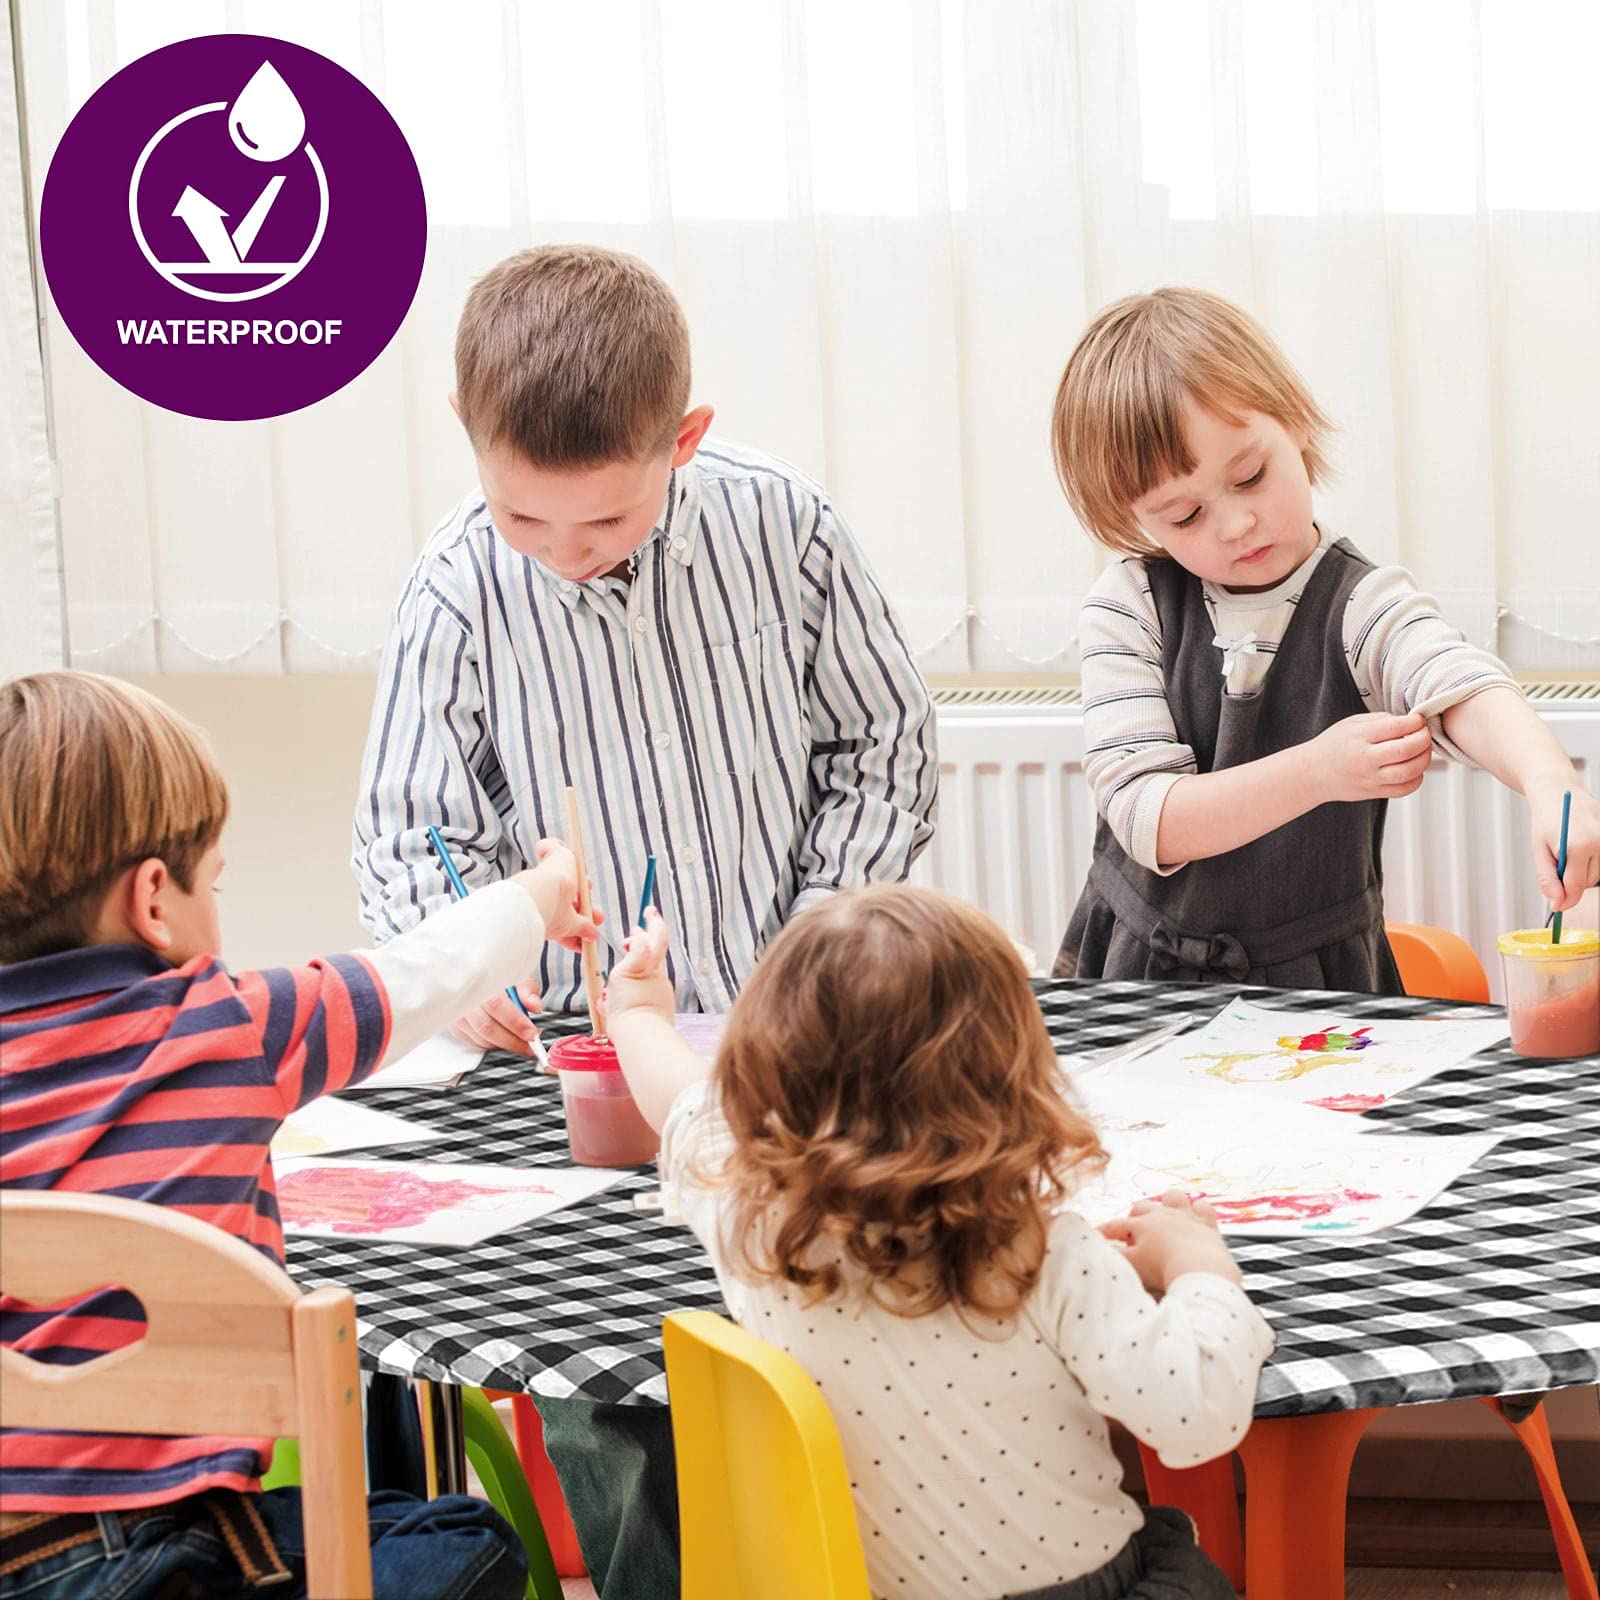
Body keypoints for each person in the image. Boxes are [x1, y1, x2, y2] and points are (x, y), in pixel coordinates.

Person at [351, 243, 938, 1596]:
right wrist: (464, 951)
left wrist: (815, 954)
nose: (562, 558)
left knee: (825, 1358)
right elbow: (408, 824)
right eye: (523, 522)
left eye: (605, 524)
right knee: (610, 1405)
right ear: (468, 441)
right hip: (582, 1084)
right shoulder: (454, 586)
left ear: (686, 438)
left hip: (796, 1058)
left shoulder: (785, 528)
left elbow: (883, 745)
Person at [0, 670, 602, 1600]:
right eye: (216, 883)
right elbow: (419, 975)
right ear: (155, 899)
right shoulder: (224, 1026)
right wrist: (546, 887)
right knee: (463, 1536)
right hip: (165, 1555)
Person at [604, 886, 1273, 1600]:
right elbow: (1195, 1417)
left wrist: (638, 1009)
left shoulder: (743, 1208)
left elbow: (680, 1097)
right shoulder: (1044, 1252)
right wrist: (1199, 1264)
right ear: (1006, 1069)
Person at [1048, 287, 1600, 990]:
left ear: (1297, 421)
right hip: (1141, 977)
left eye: (1250, 476)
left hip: (1319, 986)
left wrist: (1551, 780)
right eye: (1184, 516)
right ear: (1136, 522)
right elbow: (1147, 817)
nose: (1234, 524)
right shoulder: (1129, 607)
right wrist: (1316, 771)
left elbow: (1457, 682)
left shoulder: (1361, 603)